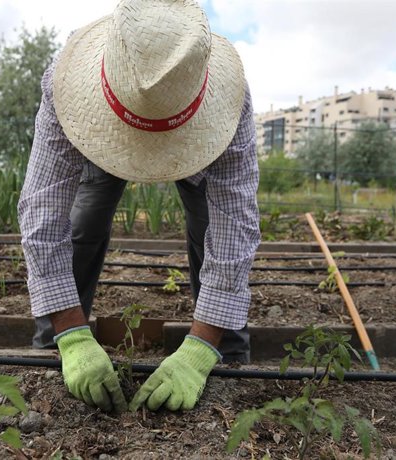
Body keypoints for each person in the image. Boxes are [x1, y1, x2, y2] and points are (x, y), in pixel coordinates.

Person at [18, 0, 260, 413]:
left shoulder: (227, 100)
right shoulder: (66, 85)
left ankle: (225, 353)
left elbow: (235, 223)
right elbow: (43, 212)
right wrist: (72, 334)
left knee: (209, 224)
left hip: (193, 131)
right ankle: (55, 344)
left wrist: (200, 347)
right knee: (84, 222)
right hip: (108, 129)